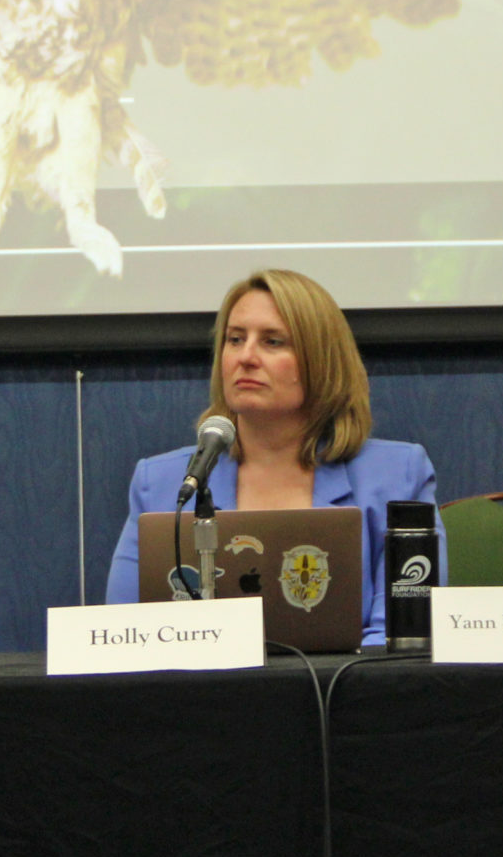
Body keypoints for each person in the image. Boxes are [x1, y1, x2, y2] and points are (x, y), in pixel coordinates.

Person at [106, 269, 439, 645]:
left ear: (321, 361)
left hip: (345, 695)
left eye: (273, 342)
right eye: (235, 339)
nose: (245, 357)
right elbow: (126, 633)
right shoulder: (167, 483)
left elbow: (399, 637)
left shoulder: (397, 476)